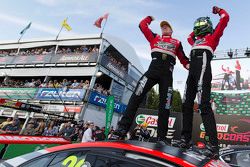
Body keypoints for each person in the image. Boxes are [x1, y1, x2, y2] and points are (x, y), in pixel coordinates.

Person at [111, 16, 190, 145]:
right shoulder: (155, 37)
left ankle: (161, 138)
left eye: (166, 26)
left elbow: (184, 60)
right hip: (152, 71)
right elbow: (142, 26)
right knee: (136, 96)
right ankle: (121, 129)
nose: (164, 27)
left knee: (165, 106)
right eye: (162, 26)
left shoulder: (177, 42)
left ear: (171, 30)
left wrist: (191, 67)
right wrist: (149, 18)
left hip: (167, 75)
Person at [172, 6, 229, 159]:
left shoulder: (213, 36)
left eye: (201, 26)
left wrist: (218, 11)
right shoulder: (194, 41)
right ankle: (185, 139)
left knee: (204, 105)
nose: (198, 29)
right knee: (186, 104)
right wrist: (198, 24)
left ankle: (213, 146)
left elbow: (225, 19)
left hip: (203, 68)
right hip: (192, 71)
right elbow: (189, 36)